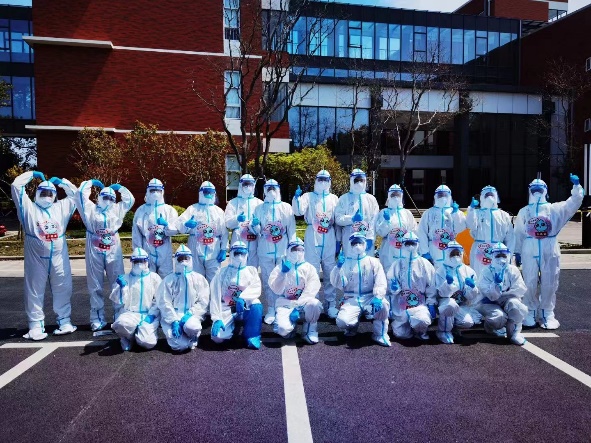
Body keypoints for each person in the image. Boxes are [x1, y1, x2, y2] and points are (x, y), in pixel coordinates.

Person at [11, 171, 78, 340]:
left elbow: (74, 194)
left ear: (55, 195)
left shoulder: (61, 208)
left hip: (58, 256)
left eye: (50, 193)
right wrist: (31, 174)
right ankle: (35, 325)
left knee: (63, 287)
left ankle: (64, 321)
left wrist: (62, 181)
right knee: (34, 290)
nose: (47, 196)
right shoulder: (28, 208)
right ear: (36, 193)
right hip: (36, 258)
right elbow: (16, 186)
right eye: (43, 192)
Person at [514, 174, 584, 329]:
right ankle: (529, 311)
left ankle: (547, 313)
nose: (537, 191)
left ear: (546, 190)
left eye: (540, 189)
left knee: (550, 282)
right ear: (529, 191)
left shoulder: (554, 209)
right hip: (529, 247)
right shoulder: (524, 211)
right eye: (534, 189)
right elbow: (518, 232)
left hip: (549, 246)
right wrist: (517, 251)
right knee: (529, 281)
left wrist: (576, 187)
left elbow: (573, 203)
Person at [76, 179, 135, 331]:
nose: (108, 200)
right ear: (99, 197)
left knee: (118, 281)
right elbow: (80, 194)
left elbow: (130, 200)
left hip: (113, 247)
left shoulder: (117, 209)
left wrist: (120, 188)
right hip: (94, 247)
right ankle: (97, 317)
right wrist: (90, 182)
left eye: (111, 198)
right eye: (105, 197)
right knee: (95, 283)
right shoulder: (90, 209)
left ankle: (119, 314)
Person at [292, 170, 339, 318]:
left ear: (330, 181)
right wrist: (297, 198)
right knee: (311, 270)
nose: (323, 182)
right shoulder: (308, 196)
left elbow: (337, 220)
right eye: (320, 179)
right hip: (312, 234)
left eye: (326, 179)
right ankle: (312, 302)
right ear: (316, 180)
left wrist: (338, 241)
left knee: (330, 270)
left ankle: (331, 304)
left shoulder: (334, 198)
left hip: (329, 235)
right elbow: (298, 211)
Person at [330, 233, 390, 346]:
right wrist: (337, 268)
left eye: (360, 243)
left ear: (365, 245)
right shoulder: (345, 262)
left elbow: (381, 281)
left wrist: (378, 296)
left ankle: (380, 334)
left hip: (370, 297)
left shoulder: (373, 261)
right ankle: (351, 327)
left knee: (383, 305)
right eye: (354, 243)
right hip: (352, 299)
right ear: (350, 245)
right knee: (343, 321)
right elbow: (338, 284)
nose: (357, 245)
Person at [251, 179, 296, 325]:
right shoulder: (259, 208)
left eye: (273, 187)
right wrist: (255, 226)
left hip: (282, 251)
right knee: (267, 280)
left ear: (278, 189)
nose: (271, 190)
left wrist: (292, 250)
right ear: (264, 190)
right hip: (265, 250)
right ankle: (271, 308)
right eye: (268, 187)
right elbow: (257, 232)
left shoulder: (286, 207)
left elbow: (292, 230)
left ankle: (282, 307)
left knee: (284, 280)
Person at [209, 241, 263, 350]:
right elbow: (214, 297)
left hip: (244, 307)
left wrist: (243, 298)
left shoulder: (251, 271)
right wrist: (216, 318)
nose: (239, 257)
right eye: (237, 253)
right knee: (217, 338)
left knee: (256, 304)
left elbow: (256, 288)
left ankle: (252, 335)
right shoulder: (221, 273)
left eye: (242, 254)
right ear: (231, 254)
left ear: (247, 254)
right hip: (226, 309)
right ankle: (232, 326)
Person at [269, 238, 322, 344]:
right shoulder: (281, 267)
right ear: (288, 250)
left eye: (300, 249)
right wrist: (282, 274)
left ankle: (310, 330)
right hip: (286, 303)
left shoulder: (309, 268)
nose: (297, 252)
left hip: (304, 303)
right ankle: (290, 328)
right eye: (294, 249)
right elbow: (276, 289)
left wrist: (297, 305)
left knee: (315, 304)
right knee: (283, 330)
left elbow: (312, 289)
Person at [157, 245, 210, 352]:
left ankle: (192, 336)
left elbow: (203, 301)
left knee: (193, 327)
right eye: (181, 258)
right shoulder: (168, 280)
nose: (184, 261)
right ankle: (183, 338)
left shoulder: (199, 279)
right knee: (179, 346)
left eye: (186, 258)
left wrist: (190, 314)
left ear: (191, 259)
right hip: (173, 316)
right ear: (176, 260)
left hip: (191, 315)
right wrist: (174, 321)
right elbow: (164, 302)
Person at [386, 232, 436, 341]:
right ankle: (405, 326)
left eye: (413, 243)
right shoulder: (397, 264)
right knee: (401, 335)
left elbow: (431, 285)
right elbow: (390, 285)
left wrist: (431, 302)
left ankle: (420, 332)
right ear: (403, 244)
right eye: (407, 244)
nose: (410, 246)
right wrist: (394, 288)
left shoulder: (424, 264)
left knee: (421, 320)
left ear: (417, 244)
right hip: (401, 306)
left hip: (419, 304)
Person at [109, 248, 162, 351]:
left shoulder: (154, 278)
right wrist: (122, 288)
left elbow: (159, 299)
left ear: (147, 261)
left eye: (142, 261)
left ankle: (141, 333)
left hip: (148, 314)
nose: (139, 264)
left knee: (147, 343)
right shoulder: (125, 278)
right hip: (130, 314)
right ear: (132, 262)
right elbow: (117, 301)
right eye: (136, 261)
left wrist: (152, 314)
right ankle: (128, 337)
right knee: (121, 324)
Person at [476, 242, 528, 345]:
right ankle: (489, 327)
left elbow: (520, 289)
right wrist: (495, 285)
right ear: (492, 256)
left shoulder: (513, 270)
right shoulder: (486, 271)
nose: (501, 259)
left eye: (503, 255)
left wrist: (503, 295)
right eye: (498, 256)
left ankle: (514, 334)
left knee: (516, 306)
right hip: (489, 303)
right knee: (498, 317)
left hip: (507, 300)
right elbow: (491, 296)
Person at [177, 181, 228, 282]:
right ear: (201, 193)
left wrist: (224, 249)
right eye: (206, 192)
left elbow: (224, 232)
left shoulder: (218, 211)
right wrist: (186, 224)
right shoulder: (192, 209)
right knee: (196, 279)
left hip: (214, 250)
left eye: (211, 192)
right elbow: (179, 225)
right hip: (195, 248)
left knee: (214, 279)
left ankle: (213, 293)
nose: (209, 195)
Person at [434, 241, 481, 344]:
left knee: (468, 322)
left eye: (457, 253)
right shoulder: (440, 270)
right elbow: (442, 294)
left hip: (461, 304)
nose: (456, 256)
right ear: (447, 254)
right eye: (453, 254)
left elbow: (471, 297)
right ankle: (443, 331)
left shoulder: (468, 271)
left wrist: (472, 288)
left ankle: (452, 327)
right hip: (444, 303)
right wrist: (448, 284)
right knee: (450, 305)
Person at [132, 178, 178, 278]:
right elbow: (136, 233)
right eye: (152, 190)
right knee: (147, 278)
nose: (155, 193)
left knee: (166, 278)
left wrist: (167, 225)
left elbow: (175, 230)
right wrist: (138, 251)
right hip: (147, 250)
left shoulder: (169, 210)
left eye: (158, 190)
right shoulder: (141, 210)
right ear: (148, 191)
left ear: (162, 191)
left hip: (164, 250)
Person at [466, 185, 514, 277]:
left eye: (491, 195)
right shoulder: (477, 213)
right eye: (486, 195)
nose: (489, 197)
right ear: (481, 197)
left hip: (498, 250)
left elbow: (510, 237)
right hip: (480, 249)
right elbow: (470, 225)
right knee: (479, 277)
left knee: (497, 277)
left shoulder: (504, 215)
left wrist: (509, 254)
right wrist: (471, 209)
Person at [417, 185, 466, 269]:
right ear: (435, 197)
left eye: (445, 195)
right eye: (440, 195)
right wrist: (424, 251)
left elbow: (460, 228)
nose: (443, 197)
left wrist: (456, 214)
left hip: (451, 248)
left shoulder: (454, 212)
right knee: (434, 272)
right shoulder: (428, 213)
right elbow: (422, 232)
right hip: (434, 250)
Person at [335, 169, 379, 258]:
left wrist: (370, 237)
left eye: (361, 180)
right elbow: (338, 219)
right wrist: (351, 219)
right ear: (351, 180)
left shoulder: (371, 199)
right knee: (350, 262)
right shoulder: (344, 198)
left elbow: (374, 220)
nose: (359, 183)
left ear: (365, 181)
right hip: (349, 237)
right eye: (356, 180)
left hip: (366, 237)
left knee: (367, 263)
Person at [375, 184, 417, 272]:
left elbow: (414, 231)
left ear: (401, 196)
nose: (395, 197)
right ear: (388, 196)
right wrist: (386, 222)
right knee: (389, 272)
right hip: (389, 250)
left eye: (397, 195)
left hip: (405, 249)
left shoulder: (407, 213)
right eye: (393, 195)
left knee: (405, 272)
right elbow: (380, 232)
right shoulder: (384, 212)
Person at [224, 174, 263, 267]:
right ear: (240, 185)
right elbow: (227, 223)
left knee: (253, 269)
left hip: (255, 242)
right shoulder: (233, 203)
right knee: (236, 268)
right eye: (245, 184)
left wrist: (257, 225)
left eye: (250, 184)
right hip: (238, 240)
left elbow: (265, 225)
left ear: (254, 185)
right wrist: (236, 219)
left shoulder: (260, 203)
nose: (247, 186)